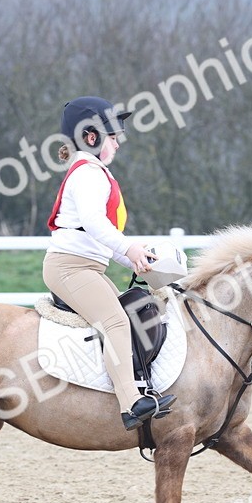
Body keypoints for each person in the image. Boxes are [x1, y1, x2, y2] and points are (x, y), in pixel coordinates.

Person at [43, 96, 176, 431]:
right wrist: (129, 249)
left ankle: (132, 388)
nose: (118, 142)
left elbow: (103, 236)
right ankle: (131, 403)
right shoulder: (89, 174)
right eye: (113, 135)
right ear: (91, 137)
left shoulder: (92, 173)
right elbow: (94, 223)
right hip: (71, 268)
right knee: (115, 322)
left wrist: (135, 259)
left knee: (128, 317)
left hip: (87, 266)